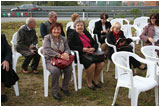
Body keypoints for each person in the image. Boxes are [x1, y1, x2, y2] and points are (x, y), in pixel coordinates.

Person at [68, 19, 105, 90]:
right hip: (81, 55)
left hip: (92, 53)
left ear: (84, 26)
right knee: (92, 65)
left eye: (81, 25)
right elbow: (70, 46)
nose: (80, 27)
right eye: (78, 25)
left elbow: (95, 43)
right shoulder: (72, 34)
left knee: (101, 63)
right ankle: (89, 81)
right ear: (75, 26)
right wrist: (82, 49)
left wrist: (93, 48)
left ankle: (95, 79)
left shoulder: (86, 33)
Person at [43, 23, 72, 100]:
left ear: (61, 30)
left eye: (58, 29)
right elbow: (47, 50)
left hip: (62, 60)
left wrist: (66, 53)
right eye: (54, 29)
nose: (56, 31)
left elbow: (68, 48)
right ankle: (55, 91)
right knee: (55, 70)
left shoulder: (63, 38)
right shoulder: (47, 38)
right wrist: (59, 55)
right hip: (50, 60)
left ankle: (64, 87)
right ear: (51, 30)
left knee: (69, 69)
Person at [1, 34, 19, 103]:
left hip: (1, 61)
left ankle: (1, 91)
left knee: (4, 67)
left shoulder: (2, 36)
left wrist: (6, 60)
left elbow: (8, 50)